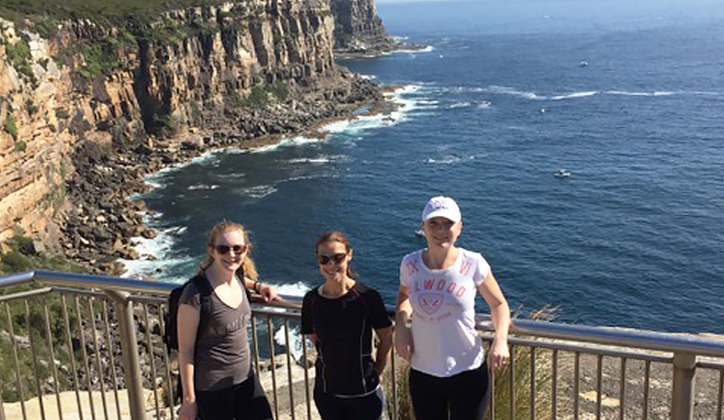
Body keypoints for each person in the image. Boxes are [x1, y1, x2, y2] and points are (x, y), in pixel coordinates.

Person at [395, 196, 511, 420]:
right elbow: (403, 295)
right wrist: (401, 326)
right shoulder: (410, 264)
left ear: (459, 228)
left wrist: (500, 340)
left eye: (447, 224)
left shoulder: (473, 263)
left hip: (468, 371)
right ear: (423, 228)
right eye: (433, 224)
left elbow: (499, 304)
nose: (440, 231)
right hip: (423, 371)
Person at [177, 221, 280, 420]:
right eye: (223, 248)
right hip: (212, 390)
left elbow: (242, 278)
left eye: (237, 248)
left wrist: (259, 286)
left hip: (246, 379)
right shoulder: (196, 294)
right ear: (212, 251)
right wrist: (189, 401)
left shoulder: (238, 278)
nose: (231, 254)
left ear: (245, 250)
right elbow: (186, 352)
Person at [301, 231, 393, 420]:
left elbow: (386, 338)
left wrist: (376, 372)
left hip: (364, 393)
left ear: (349, 255)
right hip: (327, 394)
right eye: (324, 259)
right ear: (317, 260)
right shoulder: (311, 300)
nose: (331, 265)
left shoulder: (368, 298)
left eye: (338, 258)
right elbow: (316, 340)